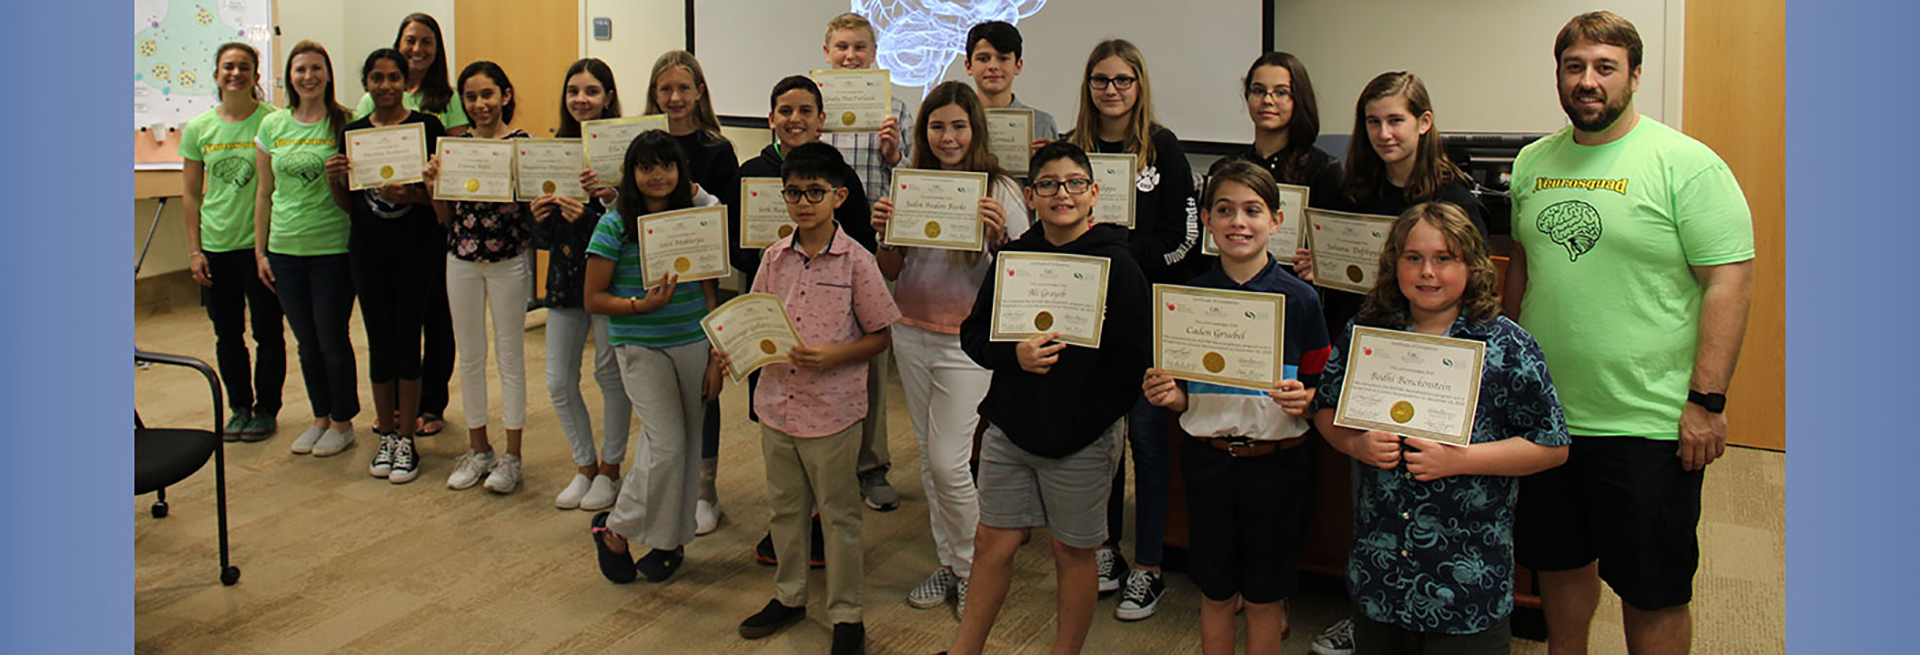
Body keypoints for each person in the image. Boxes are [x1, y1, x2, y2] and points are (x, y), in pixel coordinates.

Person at [1507, 12, 1755, 655]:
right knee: (1560, 565)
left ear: (1635, 76)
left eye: (1604, 67)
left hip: (1648, 419)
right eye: (1574, 66)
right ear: (1559, 75)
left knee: (1654, 588)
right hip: (1549, 417)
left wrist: (1707, 402)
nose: (1588, 81)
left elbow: (1729, 283)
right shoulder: (1533, 162)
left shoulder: (1686, 165)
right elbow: (1527, 275)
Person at [1314, 202, 1571, 654]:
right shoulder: (1369, 331)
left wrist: (1461, 459)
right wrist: (1355, 444)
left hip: (1467, 578)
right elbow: (1323, 409)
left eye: (1444, 258)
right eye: (1413, 258)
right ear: (1395, 264)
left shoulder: (1508, 345)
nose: (1427, 272)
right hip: (1382, 570)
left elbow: (1551, 446)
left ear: (1472, 265)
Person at [1309, 69, 1492, 655]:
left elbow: (1477, 290)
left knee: (1436, 500)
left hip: (1436, 366)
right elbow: (1343, 288)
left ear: (1424, 123)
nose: (1384, 132)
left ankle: (1435, 620)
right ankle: (1370, 616)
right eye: (1373, 121)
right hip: (1371, 359)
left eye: (1396, 120)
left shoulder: (1456, 198)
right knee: (1372, 499)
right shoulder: (1351, 188)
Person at [946, 142, 1152, 655]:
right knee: (992, 543)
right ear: (1032, 197)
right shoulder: (1014, 259)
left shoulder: (1120, 266)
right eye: (1048, 185)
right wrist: (1014, 355)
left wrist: (1085, 424)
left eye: (1074, 184)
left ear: (1094, 194)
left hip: (1083, 439)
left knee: (1072, 552)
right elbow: (974, 336)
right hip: (1010, 431)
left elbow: (1132, 363)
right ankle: (965, 648)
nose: (1062, 194)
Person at [1142, 159, 1329, 655]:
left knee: (1266, 598)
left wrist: (1306, 400)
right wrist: (1171, 396)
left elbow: (1318, 390)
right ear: (1205, 219)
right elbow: (1187, 394)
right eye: (1224, 210)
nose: (1238, 222)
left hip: (1278, 466)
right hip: (1209, 463)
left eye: (1252, 210)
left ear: (1277, 221)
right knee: (1217, 592)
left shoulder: (1304, 301)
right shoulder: (1189, 300)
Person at [730, 142, 900, 655]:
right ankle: (790, 595)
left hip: (832, 411)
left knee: (840, 513)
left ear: (838, 196)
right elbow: (756, 319)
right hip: (777, 405)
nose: (803, 203)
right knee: (784, 510)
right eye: (794, 193)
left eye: (815, 192)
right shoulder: (772, 258)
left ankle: (846, 613)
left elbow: (882, 335)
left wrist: (837, 356)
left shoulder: (858, 262)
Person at [869, 81, 1031, 617]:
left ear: (975, 129)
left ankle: (974, 569)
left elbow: (1022, 281)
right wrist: (886, 237)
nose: (948, 136)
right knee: (928, 456)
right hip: (910, 329)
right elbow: (891, 271)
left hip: (967, 343)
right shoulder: (909, 183)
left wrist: (999, 239)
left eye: (958, 125)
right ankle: (951, 562)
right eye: (937, 126)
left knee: (949, 462)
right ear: (924, 131)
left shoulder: (1000, 190)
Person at [1064, 37, 1199, 621]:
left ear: (1139, 85)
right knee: (1099, 445)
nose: (1111, 90)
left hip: (1147, 320)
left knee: (1146, 442)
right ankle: (1103, 551)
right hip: (1087, 319)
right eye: (1101, 80)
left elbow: (1183, 240)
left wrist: (1120, 253)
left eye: (1123, 80)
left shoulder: (1162, 148)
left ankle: (1148, 567)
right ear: (1088, 86)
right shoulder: (1074, 149)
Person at [734, 75, 876, 569]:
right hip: (769, 311)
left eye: (805, 111)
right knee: (775, 419)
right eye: (785, 110)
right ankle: (789, 523)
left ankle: (819, 523)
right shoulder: (753, 169)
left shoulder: (843, 177)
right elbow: (736, 245)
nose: (795, 119)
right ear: (771, 117)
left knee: (827, 433)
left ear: (821, 118)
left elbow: (860, 240)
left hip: (831, 321)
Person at [585, 130, 725, 585]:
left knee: (685, 447)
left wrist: (714, 357)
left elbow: (708, 289)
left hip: (691, 342)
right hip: (640, 345)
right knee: (665, 444)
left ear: (680, 171)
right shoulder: (614, 224)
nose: (657, 175)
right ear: (632, 173)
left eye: (666, 165)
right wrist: (639, 307)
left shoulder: (695, 219)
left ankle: (670, 539)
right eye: (646, 167)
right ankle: (617, 528)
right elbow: (593, 298)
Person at [425, 61, 534, 494]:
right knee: (469, 355)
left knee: (510, 356)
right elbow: (444, 218)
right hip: (461, 260)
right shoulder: (453, 146)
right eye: (470, 97)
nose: (480, 104)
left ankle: (512, 457)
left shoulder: (523, 144)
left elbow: (532, 207)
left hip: (509, 260)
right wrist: (434, 185)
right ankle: (478, 449)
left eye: (488, 94)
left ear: (505, 95)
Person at [644, 49, 740, 535]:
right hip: (647, 285)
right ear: (654, 94)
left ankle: (705, 489)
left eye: (684, 88)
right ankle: (660, 481)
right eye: (666, 89)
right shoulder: (640, 146)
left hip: (700, 285)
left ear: (699, 92)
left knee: (704, 388)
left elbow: (730, 224)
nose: (675, 97)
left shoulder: (717, 149)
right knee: (652, 387)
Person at [352, 12, 461, 437]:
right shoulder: (365, 111)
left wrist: (420, 194)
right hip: (378, 232)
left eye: (426, 42)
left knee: (433, 320)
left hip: (427, 228)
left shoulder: (442, 103)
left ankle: (429, 405)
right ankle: (395, 407)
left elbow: (452, 166)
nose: (417, 50)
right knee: (387, 328)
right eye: (410, 41)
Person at [344, 48, 447, 485]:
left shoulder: (428, 126)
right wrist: (336, 178)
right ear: (366, 84)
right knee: (378, 340)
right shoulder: (351, 133)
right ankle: (385, 432)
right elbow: (348, 204)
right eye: (376, 78)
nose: (385, 86)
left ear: (407, 82)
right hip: (368, 249)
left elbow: (440, 198)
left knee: (408, 337)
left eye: (393, 77)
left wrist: (415, 195)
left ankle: (407, 438)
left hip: (416, 248)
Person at [820, 10, 908, 511]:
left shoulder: (894, 108)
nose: (851, 56)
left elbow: (918, 187)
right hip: (819, 248)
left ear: (874, 54)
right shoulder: (811, 107)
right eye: (842, 48)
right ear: (826, 53)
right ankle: (827, 462)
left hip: (871, 250)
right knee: (823, 357)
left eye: (860, 47)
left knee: (872, 360)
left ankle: (872, 466)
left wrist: (896, 155)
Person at [253, 40, 357, 458]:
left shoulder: (345, 122)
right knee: (306, 341)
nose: (308, 76)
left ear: (328, 74)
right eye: (300, 70)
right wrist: (260, 252)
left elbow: (358, 187)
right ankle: (320, 417)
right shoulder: (272, 127)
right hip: (284, 250)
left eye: (316, 68)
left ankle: (343, 420)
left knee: (332, 337)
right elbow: (264, 194)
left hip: (332, 248)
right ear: (289, 77)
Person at [538, 57, 632, 512]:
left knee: (610, 376)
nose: (581, 99)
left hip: (613, 277)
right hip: (565, 278)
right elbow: (544, 238)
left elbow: (635, 223)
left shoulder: (626, 148)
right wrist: (541, 219)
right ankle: (584, 466)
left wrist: (595, 212)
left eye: (592, 91)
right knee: (558, 380)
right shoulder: (554, 148)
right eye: (573, 90)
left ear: (609, 97)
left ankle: (611, 470)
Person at [181, 42, 284, 442]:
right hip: (216, 246)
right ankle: (239, 406)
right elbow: (191, 194)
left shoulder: (272, 121)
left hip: (260, 246)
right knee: (227, 334)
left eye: (244, 67)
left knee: (268, 332)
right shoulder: (199, 128)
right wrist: (194, 250)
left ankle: (266, 410)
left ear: (256, 75)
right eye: (228, 67)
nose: (235, 73)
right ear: (217, 74)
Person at [961, 21, 1058, 150]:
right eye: (983, 59)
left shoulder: (1042, 124)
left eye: (1003, 58)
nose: (993, 66)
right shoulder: (955, 122)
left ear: (1018, 66)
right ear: (968, 66)